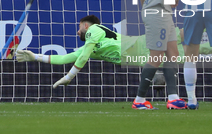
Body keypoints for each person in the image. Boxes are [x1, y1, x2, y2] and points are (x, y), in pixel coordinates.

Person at [16, 14, 184, 109]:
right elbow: (65, 58)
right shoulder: (91, 46)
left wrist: (69, 76)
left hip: (137, 44)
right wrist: (35, 56)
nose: (77, 31)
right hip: (135, 55)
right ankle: (153, 100)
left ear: (86, 25)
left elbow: (82, 58)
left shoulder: (94, 30)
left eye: (79, 26)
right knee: (183, 48)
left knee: (180, 38)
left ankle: (204, 23)